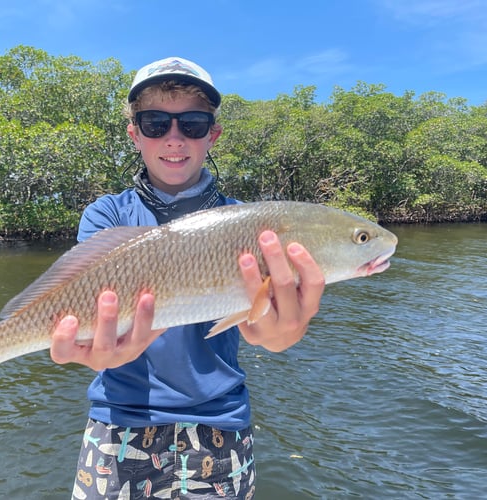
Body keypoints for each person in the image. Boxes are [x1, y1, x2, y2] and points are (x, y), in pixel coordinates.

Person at [50, 56, 325, 499]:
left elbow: (262, 330)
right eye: (155, 122)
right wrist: (93, 352)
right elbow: (82, 316)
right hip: (119, 421)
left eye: (193, 123)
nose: (174, 138)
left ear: (212, 134)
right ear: (134, 133)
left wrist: (281, 334)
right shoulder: (107, 216)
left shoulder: (250, 224)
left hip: (221, 425)